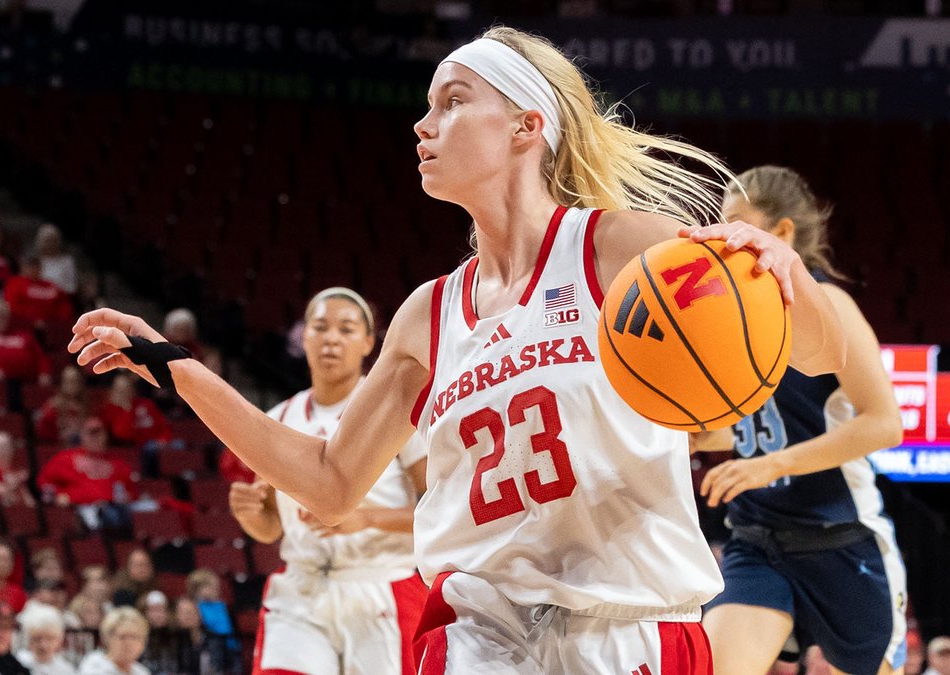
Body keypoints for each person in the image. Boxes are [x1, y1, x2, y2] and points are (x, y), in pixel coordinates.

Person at [67, 25, 845, 673]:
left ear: (525, 125)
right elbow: (331, 483)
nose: (422, 122)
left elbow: (815, 351)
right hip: (479, 640)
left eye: (452, 101)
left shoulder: (615, 247)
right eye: (427, 105)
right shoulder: (426, 314)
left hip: (629, 631)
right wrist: (180, 368)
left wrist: (773, 271)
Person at [698, 166, 905, 675]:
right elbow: (720, 430)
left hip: (839, 536)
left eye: (738, 223)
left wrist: (771, 466)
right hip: (758, 539)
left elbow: (885, 424)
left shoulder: (831, 305)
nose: (725, 238)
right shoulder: (722, 314)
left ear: (782, 233)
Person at [229, 287, 428, 674]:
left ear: (369, 342)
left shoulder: (396, 408)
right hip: (303, 589)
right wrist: (249, 513)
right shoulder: (277, 418)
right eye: (319, 327)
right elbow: (269, 528)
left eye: (346, 329)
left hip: (380, 585)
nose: (331, 338)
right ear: (303, 338)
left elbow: (442, 510)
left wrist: (366, 519)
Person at [3, 256, 73, 328]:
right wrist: (32, 320)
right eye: (30, 267)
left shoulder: (50, 285)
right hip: (25, 325)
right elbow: (12, 306)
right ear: (23, 268)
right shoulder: (15, 283)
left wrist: (56, 321)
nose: (33, 269)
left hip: (51, 325)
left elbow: (64, 304)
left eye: (36, 266)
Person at [76, 607, 149, 675]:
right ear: (107, 638)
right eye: (123, 637)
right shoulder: (94, 667)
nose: (129, 643)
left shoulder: (141, 671)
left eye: (135, 637)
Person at [35, 366, 91, 446]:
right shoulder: (52, 406)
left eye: (74, 381)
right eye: (68, 381)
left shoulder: (86, 406)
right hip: (57, 447)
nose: (71, 385)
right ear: (62, 383)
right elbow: (44, 434)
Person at [14, 604, 75, 675]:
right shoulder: (18, 663)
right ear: (29, 640)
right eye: (37, 639)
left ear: (60, 640)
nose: (43, 645)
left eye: (50, 639)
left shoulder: (66, 671)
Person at [33, 225, 77, 297]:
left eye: (53, 240)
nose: (50, 244)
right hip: (38, 298)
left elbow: (72, 287)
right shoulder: (35, 262)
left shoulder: (67, 261)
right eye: (47, 241)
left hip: (60, 299)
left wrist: (54, 291)